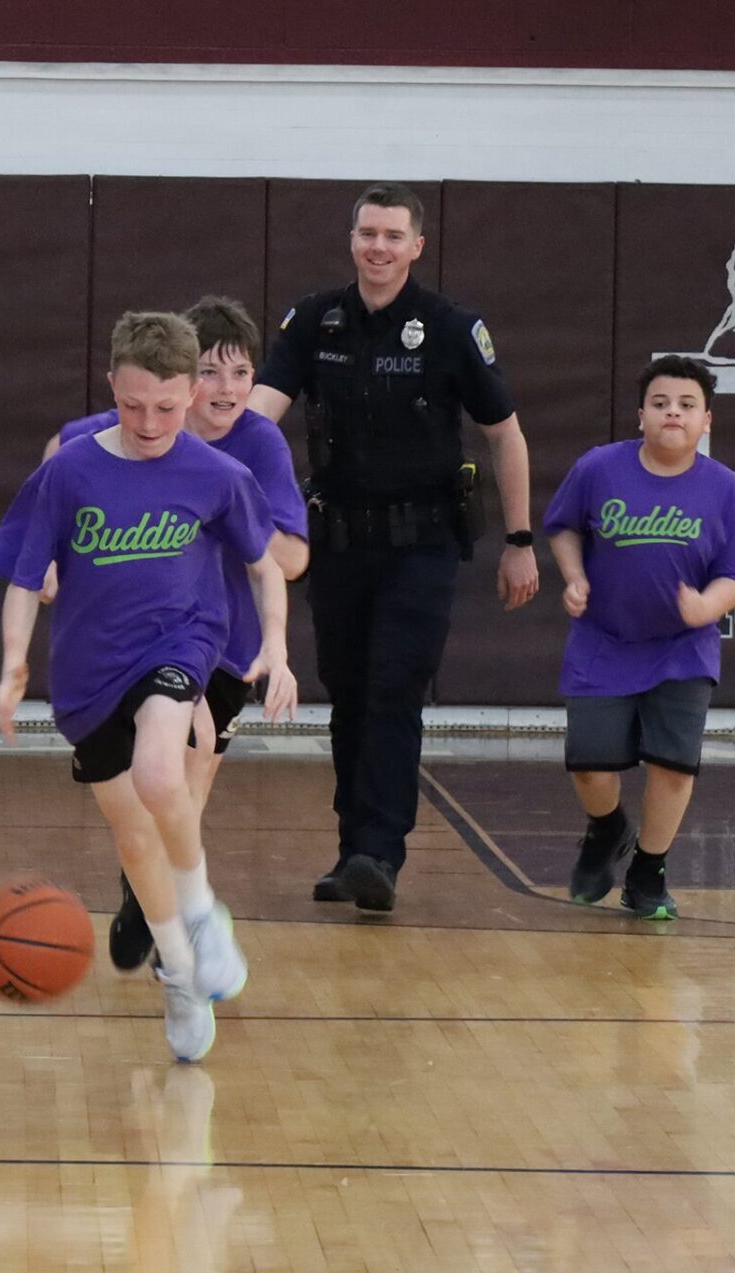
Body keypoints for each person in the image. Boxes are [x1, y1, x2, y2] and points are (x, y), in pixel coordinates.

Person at [0, 311, 299, 1062]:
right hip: (91, 668)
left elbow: (265, 566)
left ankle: (202, 918)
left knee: (164, 769)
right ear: (111, 389)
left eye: (166, 405)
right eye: (132, 406)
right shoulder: (68, 471)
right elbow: (24, 576)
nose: (150, 421)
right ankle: (181, 974)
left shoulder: (220, 474)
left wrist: (279, 649)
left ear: (192, 394)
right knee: (133, 836)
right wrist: (13, 664)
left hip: (182, 643)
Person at [247, 182, 541, 913]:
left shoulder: (447, 327)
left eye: (392, 235)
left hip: (422, 545)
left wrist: (521, 540)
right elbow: (259, 417)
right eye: (367, 233)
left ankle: (382, 849)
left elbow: (504, 433)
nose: (378, 247)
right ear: (352, 241)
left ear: (417, 245)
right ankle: (354, 848)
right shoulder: (316, 321)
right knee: (347, 691)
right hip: (339, 542)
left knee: (393, 686)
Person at [42, 297, 308, 971]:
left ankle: (162, 912)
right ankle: (158, 899)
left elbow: (293, 559)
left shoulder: (255, 446)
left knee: (181, 780)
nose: (226, 390)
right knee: (141, 796)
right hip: (126, 638)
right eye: (212, 374)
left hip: (222, 643)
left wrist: (225, 517)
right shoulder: (134, 424)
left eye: (240, 373)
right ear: (185, 382)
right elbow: (61, 452)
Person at [545, 355, 735, 920]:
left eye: (687, 406)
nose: (673, 415)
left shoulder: (724, 489)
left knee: (672, 765)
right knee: (589, 764)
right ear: (641, 415)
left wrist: (707, 605)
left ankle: (648, 870)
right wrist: (575, 575)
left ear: (706, 421)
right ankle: (608, 827)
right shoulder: (598, 468)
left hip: (682, 650)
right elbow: (562, 527)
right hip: (603, 642)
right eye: (661, 404)